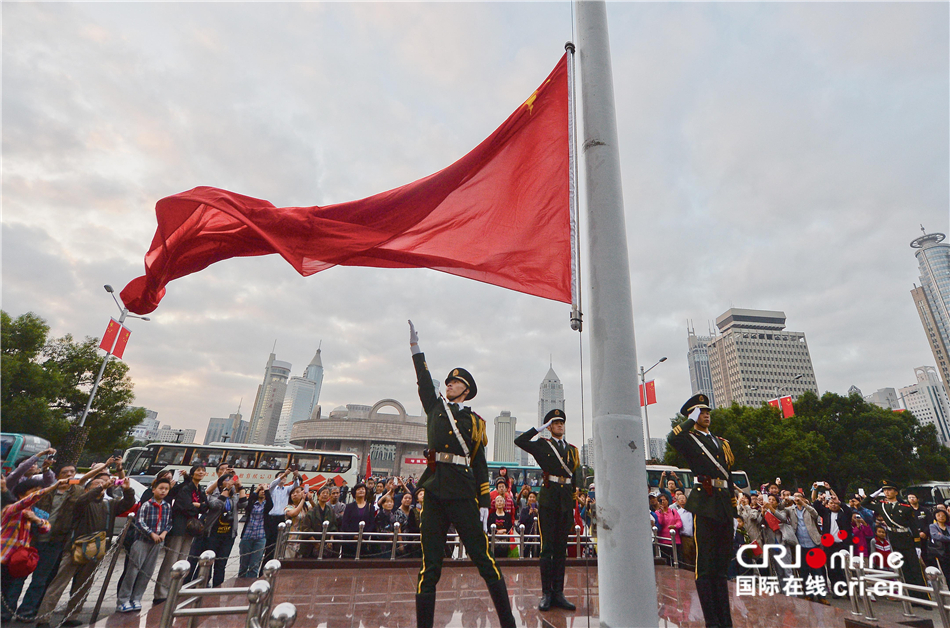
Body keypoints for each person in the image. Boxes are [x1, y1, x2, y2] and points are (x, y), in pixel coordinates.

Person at [408, 320, 515, 628]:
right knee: (430, 567)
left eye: (454, 383)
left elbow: (480, 464)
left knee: (484, 559)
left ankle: (508, 622)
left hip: (463, 492)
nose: (448, 385)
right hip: (436, 490)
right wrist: (417, 350)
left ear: (465, 390)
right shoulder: (434, 406)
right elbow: (423, 380)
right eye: (448, 382)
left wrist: (484, 501)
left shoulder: (478, 423)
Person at [667, 393, 736, 628]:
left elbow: (727, 477)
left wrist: (734, 507)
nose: (706, 414)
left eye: (707, 411)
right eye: (700, 412)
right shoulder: (689, 438)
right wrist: (689, 419)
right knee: (705, 565)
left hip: (723, 503)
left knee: (721, 565)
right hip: (705, 503)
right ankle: (712, 621)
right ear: (692, 415)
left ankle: (725, 619)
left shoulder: (721, 442)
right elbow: (672, 438)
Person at [14, 461, 110, 621]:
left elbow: (84, 487)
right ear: (57, 475)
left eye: (72, 472)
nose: (69, 475)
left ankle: (27, 611)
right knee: (19, 576)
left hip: (56, 540)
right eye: (65, 472)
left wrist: (105, 470)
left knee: (41, 579)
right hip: (32, 538)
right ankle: (7, 610)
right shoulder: (46, 489)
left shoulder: (78, 492)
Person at [36, 474, 135, 628]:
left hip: (95, 549)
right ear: (87, 489)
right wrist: (100, 487)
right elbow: (83, 500)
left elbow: (127, 504)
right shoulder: (80, 502)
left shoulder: (109, 504)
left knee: (83, 585)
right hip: (74, 548)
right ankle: (43, 618)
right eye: (97, 484)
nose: (102, 486)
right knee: (59, 584)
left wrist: (128, 490)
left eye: (103, 484)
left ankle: (72, 615)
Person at [514, 408, 582, 612]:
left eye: (562, 422)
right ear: (550, 427)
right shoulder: (543, 445)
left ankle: (559, 592)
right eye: (556, 423)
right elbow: (520, 442)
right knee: (547, 548)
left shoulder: (572, 450)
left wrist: (573, 500)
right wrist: (538, 429)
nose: (560, 425)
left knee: (561, 548)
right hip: (548, 499)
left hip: (564, 502)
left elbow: (575, 476)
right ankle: (546, 593)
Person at [1, 479, 63, 621]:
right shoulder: (11, 508)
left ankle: (5, 614)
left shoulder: (35, 512)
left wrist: (36, 519)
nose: (36, 495)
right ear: (22, 494)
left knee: (8, 588)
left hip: (17, 559)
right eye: (32, 491)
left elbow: (46, 527)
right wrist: (51, 488)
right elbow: (27, 501)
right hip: (4, 555)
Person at [862, 480, 929, 603]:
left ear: (896, 492)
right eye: (885, 490)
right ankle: (912, 598)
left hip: (906, 538)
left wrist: (917, 545)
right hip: (894, 538)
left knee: (915, 569)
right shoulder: (882, 505)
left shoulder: (905, 507)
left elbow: (913, 527)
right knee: (904, 570)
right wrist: (877, 492)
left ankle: (924, 598)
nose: (887, 492)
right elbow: (865, 503)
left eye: (889, 490)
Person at [116, 477, 172, 612]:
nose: (163, 491)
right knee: (133, 570)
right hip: (142, 541)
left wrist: (163, 534)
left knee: (147, 571)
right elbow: (140, 522)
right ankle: (123, 599)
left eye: (166, 489)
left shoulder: (167, 506)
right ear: (154, 490)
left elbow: (169, 523)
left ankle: (137, 598)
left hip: (157, 543)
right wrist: (151, 534)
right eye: (161, 488)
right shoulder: (146, 505)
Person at [154, 465, 208, 603]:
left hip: (190, 529)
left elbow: (205, 505)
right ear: (192, 473)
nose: (201, 472)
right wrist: (196, 506)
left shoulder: (199, 489)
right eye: (198, 470)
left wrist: (198, 505)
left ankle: (176, 589)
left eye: (203, 471)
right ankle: (161, 593)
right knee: (171, 560)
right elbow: (185, 506)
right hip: (179, 527)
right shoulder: (186, 488)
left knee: (183, 559)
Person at [262, 469, 300, 569]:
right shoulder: (272, 489)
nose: (283, 478)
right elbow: (273, 484)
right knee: (269, 544)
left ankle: (276, 564)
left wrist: (295, 477)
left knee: (279, 544)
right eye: (280, 476)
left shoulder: (287, 489)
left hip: (282, 518)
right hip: (271, 519)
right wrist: (284, 474)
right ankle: (265, 566)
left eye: (285, 477)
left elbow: (295, 486)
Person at [239, 484, 271, 577]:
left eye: (263, 490)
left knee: (254, 565)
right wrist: (255, 490)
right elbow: (247, 505)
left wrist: (267, 490)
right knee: (243, 564)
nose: (262, 491)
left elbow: (270, 504)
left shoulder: (267, 505)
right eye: (260, 490)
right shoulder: (252, 503)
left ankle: (250, 585)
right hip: (247, 535)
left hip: (260, 536)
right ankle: (240, 584)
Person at [340, 484, 375, 558]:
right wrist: (353, 536)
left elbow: (371, 524)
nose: (361, 490)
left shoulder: (370, 507)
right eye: (359, 489)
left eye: (363, 489)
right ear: (354, 492)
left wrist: (363, 536)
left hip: (363, 541)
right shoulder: (349, 507)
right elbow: (345, 523)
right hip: (350, 541)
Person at [305, 486, 338, 558]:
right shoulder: (311, 511)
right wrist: (316, 543)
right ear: (318, 496)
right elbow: (306, 528)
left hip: (327, 544)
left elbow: (333, 526)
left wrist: (331, 539)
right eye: (323, 493)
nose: (325, 495)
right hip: (312, 544)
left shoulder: (331, 511)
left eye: (327, 493)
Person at [282, 485, 310, 559]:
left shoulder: (306, 507)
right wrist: (303, 500)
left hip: (302, 541)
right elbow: (294, 514)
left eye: (297, 492)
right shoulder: (288, 507)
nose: (294, 494)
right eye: (292, 493)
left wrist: (310, 499)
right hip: (290, 541)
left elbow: (315, 509)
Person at [655, 494, 683, 566]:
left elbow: (679, 522)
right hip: (664, 540)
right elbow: (660, 522)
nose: (663, 501)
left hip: (675, 539)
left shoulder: (673, 511)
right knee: (666, 561)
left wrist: (674, 526)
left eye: (665, 499)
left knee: (677, 559)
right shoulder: (657, 512)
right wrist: (661, 513)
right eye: (661, 500)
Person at [519, 492, 540, 558]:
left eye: (533, 497)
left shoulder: (539, 509)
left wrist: (538, 513)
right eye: (530, 497)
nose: (532, 499)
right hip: (527, 534)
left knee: (536, 553)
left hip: (537, 535)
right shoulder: (524, 510)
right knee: (526, 552)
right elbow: (522, 521)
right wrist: (529, 514)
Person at [930, 510, 950, 578]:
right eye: (939, 515)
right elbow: (937, 536)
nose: (941, 517)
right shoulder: (932, 526)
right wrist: (946, 538)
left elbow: (941, 537)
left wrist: (942, 536)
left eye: (943, 515)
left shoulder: (948, 526)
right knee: (947, 572)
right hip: (942, 552)